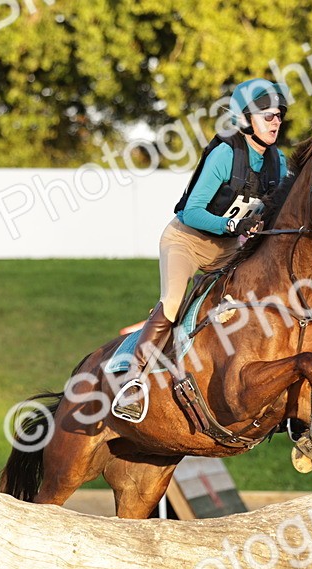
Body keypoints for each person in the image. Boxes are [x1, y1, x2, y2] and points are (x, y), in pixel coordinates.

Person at [111, 79, 290, 423]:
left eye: (278, 116)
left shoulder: (277, 162)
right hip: (187, 242)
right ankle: (132, 382)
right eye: (267, 115)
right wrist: (230, 226)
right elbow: (190, 210)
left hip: (227, 250)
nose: (275, 122)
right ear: (245, 119)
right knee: (174, 304)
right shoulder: (226, 153)